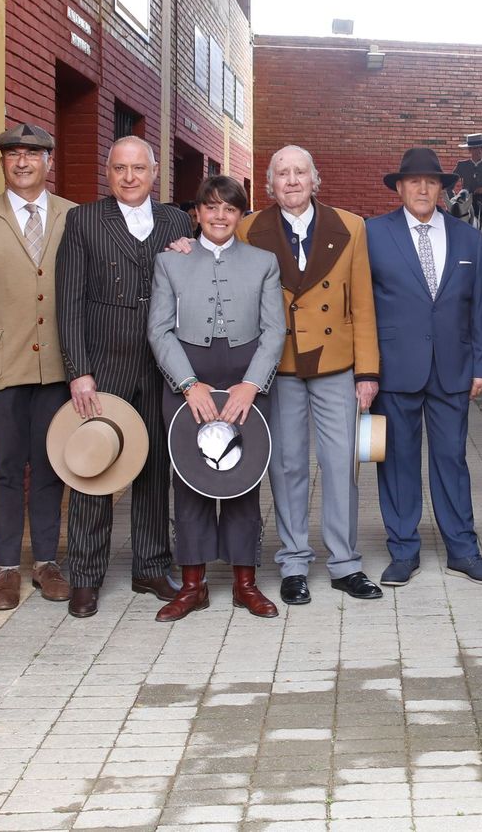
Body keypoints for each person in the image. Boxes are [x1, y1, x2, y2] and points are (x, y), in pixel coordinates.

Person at [236, 145, 384, 605]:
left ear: (315, 180)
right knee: (287, 464)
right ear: (270, 184)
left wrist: (368, 370)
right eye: (283, 173)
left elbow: (362, 302)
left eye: (301, 172)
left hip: (335, 362)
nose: (293, 180)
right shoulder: (248, 228)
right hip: (278, 363)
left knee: (342, 463)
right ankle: (295, 561)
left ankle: (344, 563)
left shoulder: (350, 226)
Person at [56, 136, 193, 618]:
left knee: (155, 464)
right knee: (94, 465)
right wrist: (79, 372)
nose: (130, 177)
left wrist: (190, 253)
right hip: (105, 360)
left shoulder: (178, 220)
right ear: (108, 173)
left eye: (139, 168)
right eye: (120, 168)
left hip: (160, 362)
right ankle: (86, 576)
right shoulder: (84, 220)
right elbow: (68, 302)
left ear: (154, 173)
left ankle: (151, 565)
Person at [148, 175, 286, 621]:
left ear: (240, 213)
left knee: (244, 477)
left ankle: (246, 582)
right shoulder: (170, 262)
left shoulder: (263, 261)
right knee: (190, 478)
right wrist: (188, 383)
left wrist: (253, 383)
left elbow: (274, 330)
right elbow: (159, 329)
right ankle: (193, 585)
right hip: (190, 374)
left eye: (229, 208)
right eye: (211, 207)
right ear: (198, 213)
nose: (219, 215)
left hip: (246, 375)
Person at [366, 147, 482, 586]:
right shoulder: (372, 234)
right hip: (394, 370)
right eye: (414, 181)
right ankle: (403, 552)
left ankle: (463, 549)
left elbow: (481, 306)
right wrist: (365, 371)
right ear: (400, 187)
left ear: (443, 188)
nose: (423, 188)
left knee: (452, 459)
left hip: (453, 369)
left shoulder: (467, 238)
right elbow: (361, 307)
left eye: (432, 182)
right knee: (396, 462)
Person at [0, 122, 75, 611]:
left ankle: (45, 561)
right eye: (13, 156)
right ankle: (7, 567)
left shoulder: (75, 216)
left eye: (33, 154)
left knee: (50, 466)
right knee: (6, 468)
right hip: (0, 363)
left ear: (49, 162)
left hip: (56, 365)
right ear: (2, 163)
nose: (23, 162)